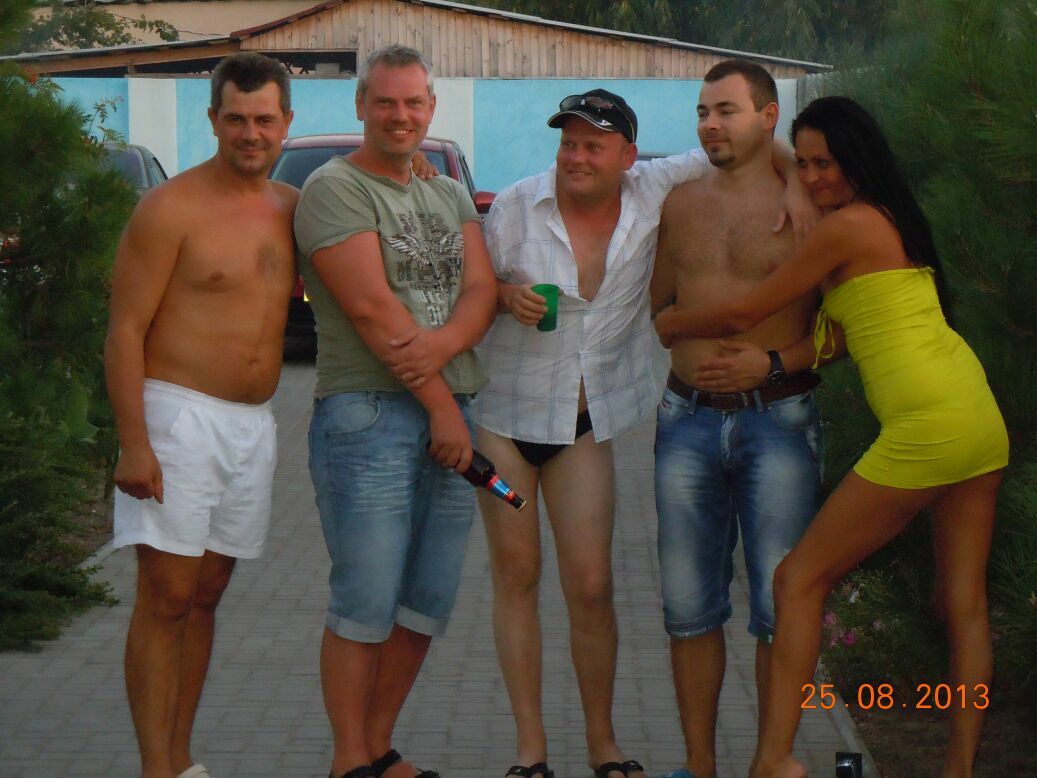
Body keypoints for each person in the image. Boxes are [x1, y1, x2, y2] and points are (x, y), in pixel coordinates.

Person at [655, 95, 1009, 778]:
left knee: (797, 581)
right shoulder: (890, 219)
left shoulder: (847, 227)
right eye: (806, 164)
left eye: (826, 163)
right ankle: (958, 769)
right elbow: (845, 336)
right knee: (961, 604)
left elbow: (746, 310)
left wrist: (670, 323)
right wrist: (792, 174)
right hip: (974, 416)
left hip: (927, 427)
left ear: (857, 159)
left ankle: (774, 760)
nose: (815, 177)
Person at [472, 86, 814, 778]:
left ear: (628, 156)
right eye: (568, 143)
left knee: (593, 586)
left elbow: (747, 142)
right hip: (503, 434)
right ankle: (531, 752)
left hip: (581, 431)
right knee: (516, 573)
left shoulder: (653, 190)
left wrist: (799, 181)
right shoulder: (514, 207)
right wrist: (502, 297)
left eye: (593, 146)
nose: (576, 156)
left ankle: (602, 744)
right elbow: (468, 293)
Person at [292, 45, 497, 778]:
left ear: (431, 108)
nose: (400, 116)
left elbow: (482, 289)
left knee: (425, 599)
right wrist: (443, 409)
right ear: (361, 106)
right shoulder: (334, 188)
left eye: (413, 103)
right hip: (369, 416)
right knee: (366, 598)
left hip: (451, 409)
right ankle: (349, 761)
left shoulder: (445, 193)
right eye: (385, 102)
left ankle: (377, 749)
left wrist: (443, 351)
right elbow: (375, 313)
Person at [104, 53, 296, 778]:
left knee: (207, 596)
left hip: (253, 427)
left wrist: (417, 172)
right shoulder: (169, 208)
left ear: (286, 123)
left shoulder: (292, 208)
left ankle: (180, 760)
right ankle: (155, 767)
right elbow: (124, 331)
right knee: (166, 597)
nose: (251, 133)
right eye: (236, 119)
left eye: (264, 119)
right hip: (177, 419)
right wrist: (134, 443)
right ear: (213, 119)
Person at [648, 60, 840, 778]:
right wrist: (676, 328)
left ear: (767, 117)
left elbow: (843, 330)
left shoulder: (811, 210)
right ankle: (698, 766)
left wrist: (774, 363)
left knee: (779, 605)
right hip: (685, 420)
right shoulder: (678, 203)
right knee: (687, 608)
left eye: (725, 110)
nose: (709, 124)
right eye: (702, 111)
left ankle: (769, 761)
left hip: (777, 421)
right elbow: (660, 308)